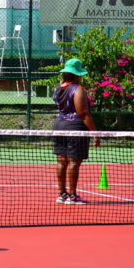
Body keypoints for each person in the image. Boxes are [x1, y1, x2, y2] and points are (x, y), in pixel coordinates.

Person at [52, 58, 100, 204]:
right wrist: (95, 134)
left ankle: (62, 195)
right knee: (73, 161)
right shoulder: (78, 89)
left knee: (61, 161)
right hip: (75, 128)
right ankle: (72, 196)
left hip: (59, 126)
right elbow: (83, 113)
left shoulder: (58, 89)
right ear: (77, 75)